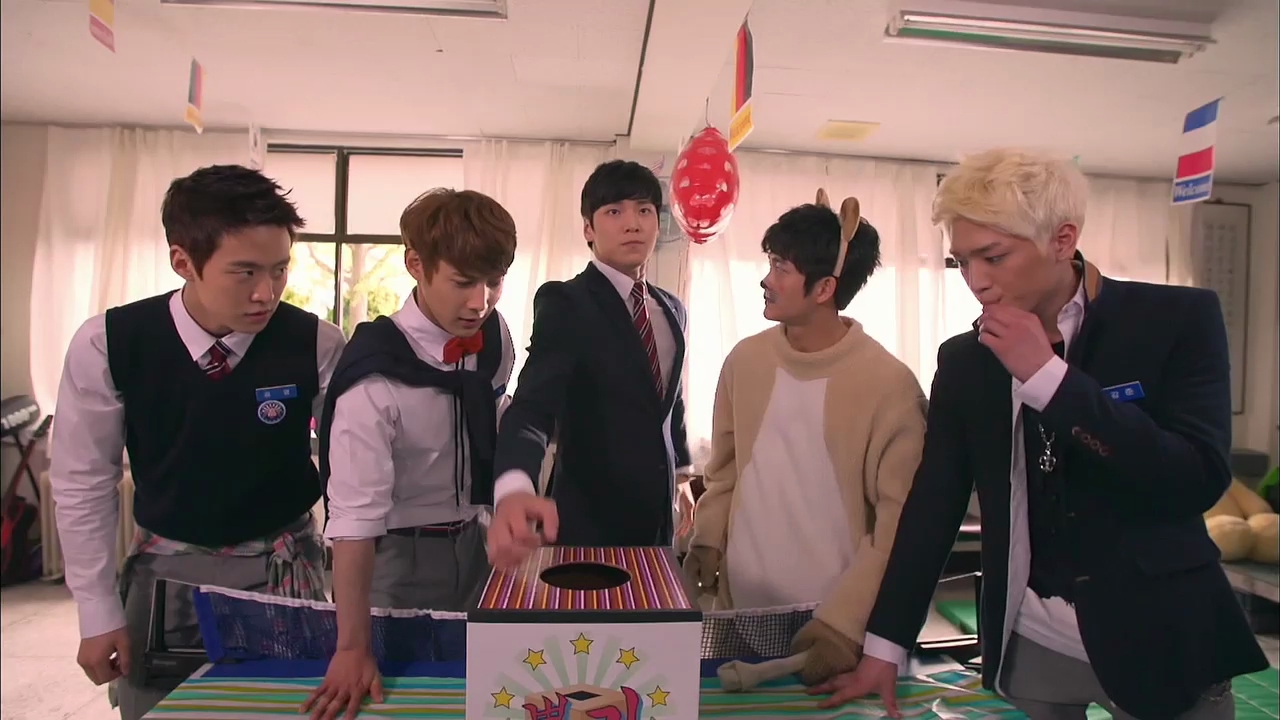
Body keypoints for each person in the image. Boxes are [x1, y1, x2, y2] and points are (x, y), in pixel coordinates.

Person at [809, 148, 1269, 719]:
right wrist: (885, 646)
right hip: (1029, 639)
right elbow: (934, 505)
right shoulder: (966, 359)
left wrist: (1051, 379)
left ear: (1062, 239)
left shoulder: (1177, 319)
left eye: (994, 257)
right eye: (962, 261)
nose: (976, 281)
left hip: (1161, 636)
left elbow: (1195, 479)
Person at [48, 164, 347, 720]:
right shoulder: (109, 343)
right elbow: (82, 481)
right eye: (244, 272)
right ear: (182, 261)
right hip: (167, 573)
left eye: (279, 269)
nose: (266, 293)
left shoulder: (317, 343)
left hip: (281, 570)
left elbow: (352, 478)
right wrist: (96, 609)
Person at [684, 190, 927, 686]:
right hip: (737, 612)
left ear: (824, 288)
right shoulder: (745, 360)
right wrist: (706, 540)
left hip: (828, 627)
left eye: (781, 267)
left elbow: (899, 524)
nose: (766, 279)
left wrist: (844, 626)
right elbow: (725, 472)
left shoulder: (890, 386)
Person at [302, 188, 517, 720]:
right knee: (399, 706)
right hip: (396, 562)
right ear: (416, 265)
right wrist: (351, 647)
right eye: (463, 282)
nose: (481, 302)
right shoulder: (372, 379)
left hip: (479, 549)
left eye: (494, 281)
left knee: (481, 701)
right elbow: (353, 523)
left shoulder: (494, 335)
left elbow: (495, 413)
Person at [487, 160, 691, 567]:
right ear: (588, 229)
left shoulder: (672, 308)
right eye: (614, 211)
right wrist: (513, 488)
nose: (632, 224)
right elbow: (532, 407)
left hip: (658, 522)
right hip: (589, 522)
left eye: (644, 210)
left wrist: (682, 473)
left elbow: (669, 398)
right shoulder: (567, 302)